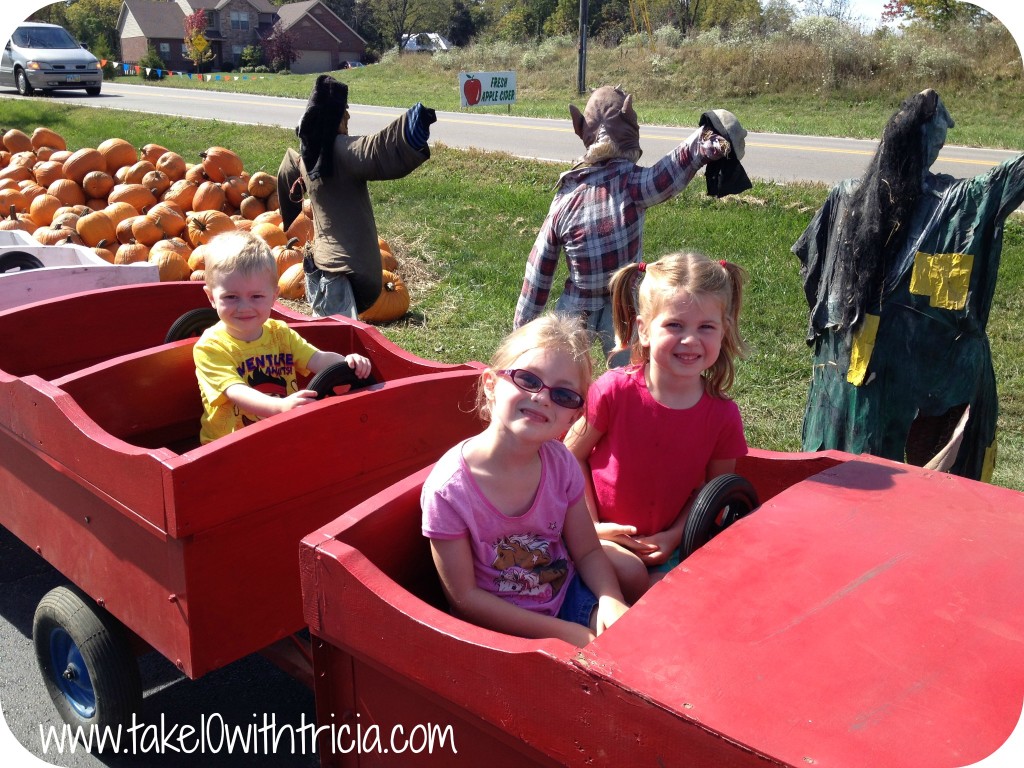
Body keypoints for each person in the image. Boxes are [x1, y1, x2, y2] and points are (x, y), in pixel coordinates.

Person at [793, 89, 1024, 481]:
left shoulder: (853, 196)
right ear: (931, 142)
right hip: (914, 392)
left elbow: (811, 276)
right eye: (939, 134)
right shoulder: (957, 202)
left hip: (881, 384)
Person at [422, 314, 629, 646]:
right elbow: (465, 598)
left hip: (566, 598)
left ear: (573, 415)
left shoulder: (561, 463)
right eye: (528, 380)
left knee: (626, 641)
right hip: (500, 628)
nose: (543, 398)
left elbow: (588, 551)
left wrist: (610, 598)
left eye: (563, 395)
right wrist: (563, 633)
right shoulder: (450, 489)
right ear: (491, 384)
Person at [513, 85, 750, 364]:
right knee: (632, 370)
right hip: (624, 301)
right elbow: (667, 175)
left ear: (583, 130)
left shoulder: (565, 198)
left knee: (561, 365)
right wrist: (705, 143)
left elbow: (539, 267)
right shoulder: (629, 184)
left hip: (577, 305)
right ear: (629, 128)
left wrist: (523, 327)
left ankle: (549, 382)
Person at [565, 253, 749, 603]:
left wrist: (675, 537)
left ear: (723, 331)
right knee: (633, 577)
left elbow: (714, 492)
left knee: (696, 598)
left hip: (673, 546)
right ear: (644, 330)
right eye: (675, 325)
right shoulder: (614, 390)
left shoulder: (722, 415)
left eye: (705, 327)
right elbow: (567, 457)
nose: (690, 340)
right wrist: (590, 526)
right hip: (597, 539)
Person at [277, 74, 436, 319]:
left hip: (322, 267)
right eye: (343, 112)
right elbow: (377, 149)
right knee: (337, 340)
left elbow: (287, 169)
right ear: (331, 117)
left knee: (328, 333)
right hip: (342, 274)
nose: (348, 117)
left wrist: (289, 219)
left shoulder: (306, 156)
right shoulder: (340, 151)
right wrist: (414, 123)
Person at [194, 231, 372, 444]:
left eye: (256, 296)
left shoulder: (280, 333)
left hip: (279, 431)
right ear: (211, 297)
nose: (244, 307)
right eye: (231, 297)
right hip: (228, 446)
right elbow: (237, 391)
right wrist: (279, 407)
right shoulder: (210, 347)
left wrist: (346, 362)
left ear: (273, 296)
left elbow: (317, 358)